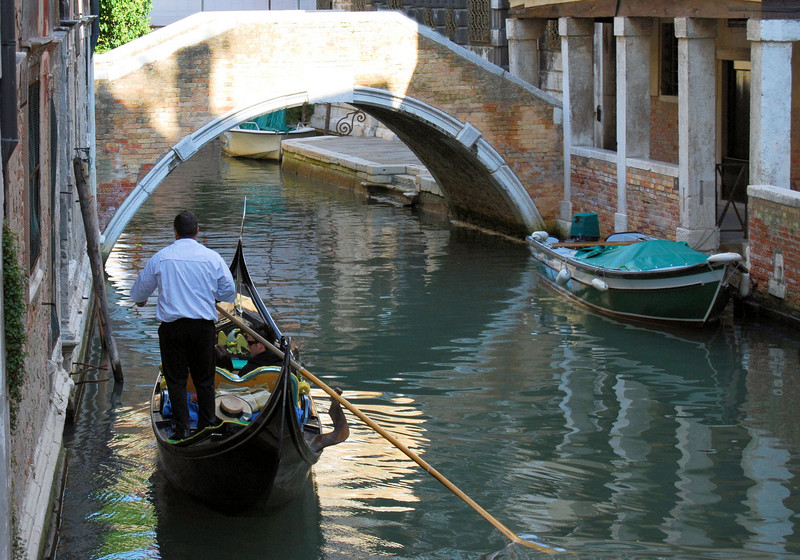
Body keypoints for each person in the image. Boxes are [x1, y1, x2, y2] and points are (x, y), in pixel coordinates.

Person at [130, 210, 236, 441]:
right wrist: (212, 296)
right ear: (197, 231)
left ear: (175, 232)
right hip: (202, 328)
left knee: (176, 380)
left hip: (173, 330)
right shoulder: (212, 258)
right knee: (204, 380)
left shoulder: (161, 257)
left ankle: (182, 429)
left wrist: (142, 299)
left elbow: (138, 293)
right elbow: (229, 292)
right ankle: (206, 427)